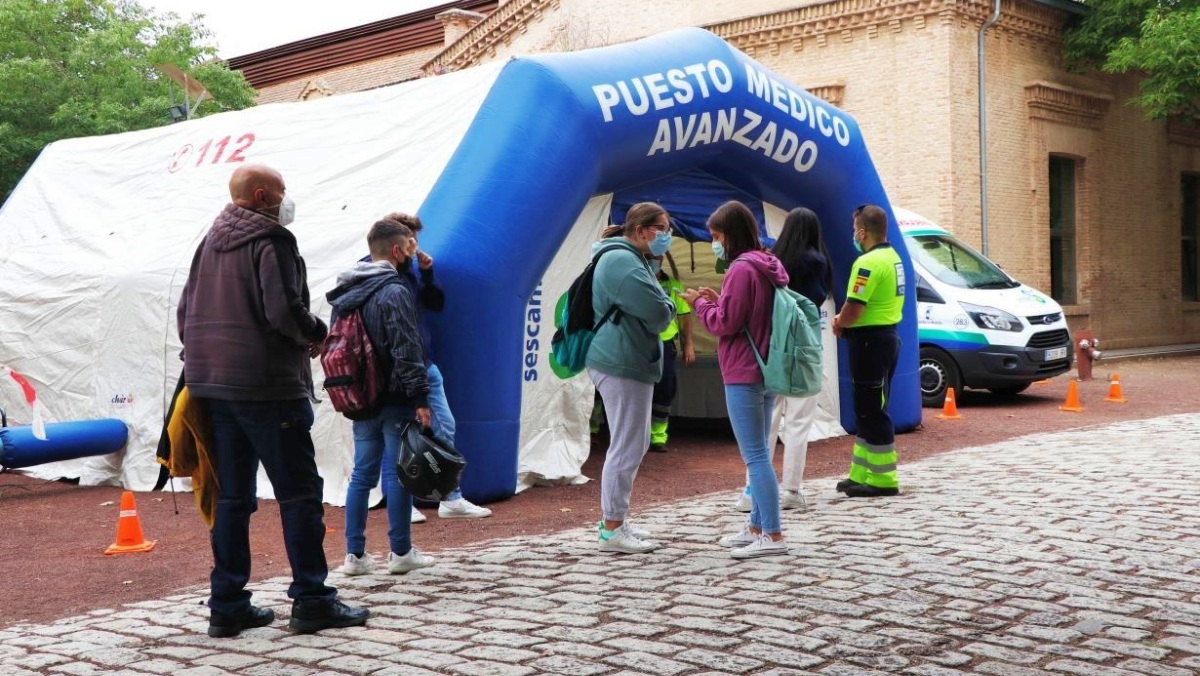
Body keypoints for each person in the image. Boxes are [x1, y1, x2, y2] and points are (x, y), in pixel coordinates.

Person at [177, 164, 368, 637]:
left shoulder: (209, 241)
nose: (287, 201)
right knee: (299, 494)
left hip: (213, 387)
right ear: (263, 195)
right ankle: (312, 599)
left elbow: (185, 312)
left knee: (232, 499)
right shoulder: (271, 239)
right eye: (282, 192)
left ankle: (227, 605)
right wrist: (316, 333)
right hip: (267, 386)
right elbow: (283, 309)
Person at [328, 217, 438, 577]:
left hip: (358, 395)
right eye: (408, 246)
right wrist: (420, 397)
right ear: (395, 250)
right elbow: (407, 347)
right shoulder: (395, 291)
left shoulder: (345, 290)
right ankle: (400, 552)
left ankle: (354, 555)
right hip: (393, 395)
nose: (412, 252)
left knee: (362, 474)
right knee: (399, 472)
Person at [683, 200, 790, 559]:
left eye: (716, 236)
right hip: (766, 367)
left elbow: (723, 324)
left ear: (730, 235)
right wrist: (718, 301)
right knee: (761, 451)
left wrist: (699, 304)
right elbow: (740, 312)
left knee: (755, 456)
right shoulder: (766, 264)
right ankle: (757, 526)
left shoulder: (741, 269)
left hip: (743, 370)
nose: (715, 243)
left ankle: (772, 535)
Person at [385, 212, 493, 521]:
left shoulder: (411, 272)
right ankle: (406, 503)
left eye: (416, 238)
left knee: (443, 426)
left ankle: (450, 497)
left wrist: (428, 272)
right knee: (399, 435)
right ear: (398, 242)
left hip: (424, 364)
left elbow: (435, 305)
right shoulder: (381, 273)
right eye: (410, 239)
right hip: (398, 368)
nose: (415, 244)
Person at [587, 203, 677, 553]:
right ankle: (612, 528)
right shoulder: (622, 261)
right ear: (641, 230)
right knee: (627, 443)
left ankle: (617, 520)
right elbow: (658, 313)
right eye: (662, 228)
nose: (667, 236)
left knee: (632, 442)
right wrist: (667, 305)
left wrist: (663, 304)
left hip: (626, 357)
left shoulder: (628, 258)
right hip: (621, 359)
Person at [733, 207, 831, 512]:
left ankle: (753, 489)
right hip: (804, 349)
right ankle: (791, 489)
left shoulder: (771, 261)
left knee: (765, 423)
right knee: (799, 422)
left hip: (772, 348)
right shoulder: (819, 262)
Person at [832, 203, 904, 498]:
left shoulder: (867, 264)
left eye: (854, 230)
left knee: (872, 409)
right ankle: (860, 472)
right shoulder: (893, 257)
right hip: (885, 338)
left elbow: (854, 307)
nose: (853, 235)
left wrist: (838, 321)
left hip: (869, 341)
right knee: (867, 407)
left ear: (862, 231)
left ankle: (883, 479)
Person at [648, 251, 696, 453]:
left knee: (665, 390)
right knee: (635, 391)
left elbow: (685, 317)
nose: (654, 261)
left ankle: (658, 436)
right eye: (650, 257)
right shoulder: (634, 279)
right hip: (638, 343)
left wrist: (688, 345)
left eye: (657, 258)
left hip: (666, 344)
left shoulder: (674, 285)